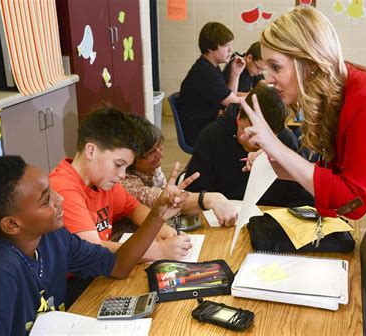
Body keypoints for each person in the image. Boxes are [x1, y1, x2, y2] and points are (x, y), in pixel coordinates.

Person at [239, 6, 366, 336]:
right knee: (358, 302)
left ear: (308, 60)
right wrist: (286, 167)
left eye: (276, 66)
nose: (268, 79)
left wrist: (278, 149)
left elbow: (353, 202)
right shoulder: (337, 92)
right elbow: (341, 175)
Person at [0, 155, 194, 335]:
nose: (60, 199)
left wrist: (157, 215)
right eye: (46, 199)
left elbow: (118, 265)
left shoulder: (53, 238)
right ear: (11, 224)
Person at [49, 107, 195, 262]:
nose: (122, 175)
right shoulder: (64, 188)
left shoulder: (103, 181)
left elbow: (134, 208)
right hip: (78, 283)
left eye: (126, 167)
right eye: (118, 164)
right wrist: (159, 251)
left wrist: (162, 229)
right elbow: (93, 249)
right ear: (91, 151)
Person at [184, 84, 314, 207]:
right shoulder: (211, 137)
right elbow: (192, 195)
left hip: (271, 220)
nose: (253, 143)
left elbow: (301, 199)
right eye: (248, 132)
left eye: (265, 138)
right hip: (221, 219)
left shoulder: (286, 142)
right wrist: (211, 201)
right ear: (239, 115)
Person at [120, 113, 238, 227]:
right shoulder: (124, 181)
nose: (160, 155)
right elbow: (160, 200)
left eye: (160, 146)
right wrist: (210, 199)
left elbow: (169, 202)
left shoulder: (152, 167)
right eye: (151, 152)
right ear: (130, 156)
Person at [179, 21, 245, 146]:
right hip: (199, 131)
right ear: (210, 47)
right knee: (247, 137)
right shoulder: (204, 71)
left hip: (209, 124)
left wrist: (235, 73)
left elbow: (229, 100)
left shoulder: (211, 66)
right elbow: (233, 102)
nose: (231, 50)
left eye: (231, 45)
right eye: (226, 46)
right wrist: (258, 99)